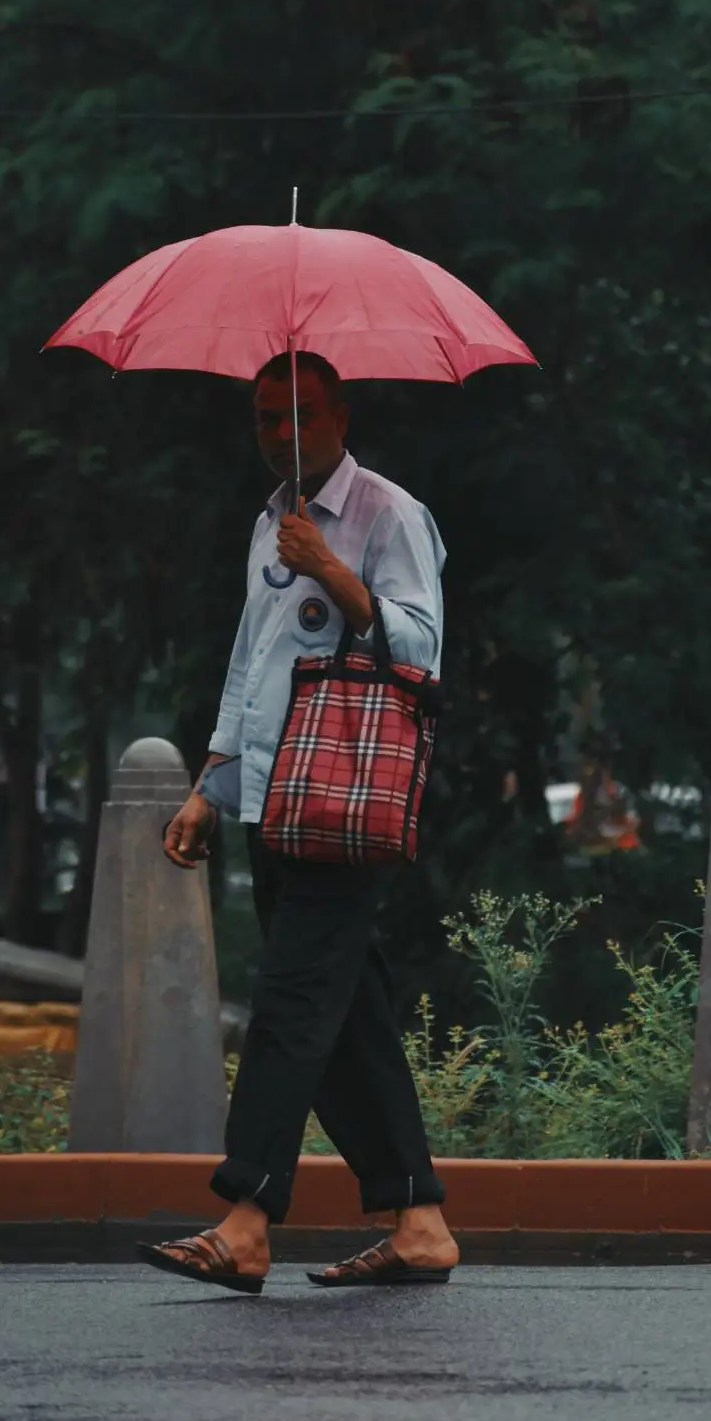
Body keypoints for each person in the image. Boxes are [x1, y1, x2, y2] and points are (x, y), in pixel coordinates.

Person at [139, 351, 461, 1293]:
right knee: (344, 1011)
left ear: (341, 414)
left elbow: (421, 651)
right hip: (274, 796)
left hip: (348, 800)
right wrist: (211, 782)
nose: (285, 434)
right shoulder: (267, 521)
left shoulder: (389, 515)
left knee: (286, 1005)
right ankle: (420, 1220)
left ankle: (245, 1219)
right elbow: (253, 663)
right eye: (268, 420)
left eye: (304, 415)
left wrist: (332, 569)